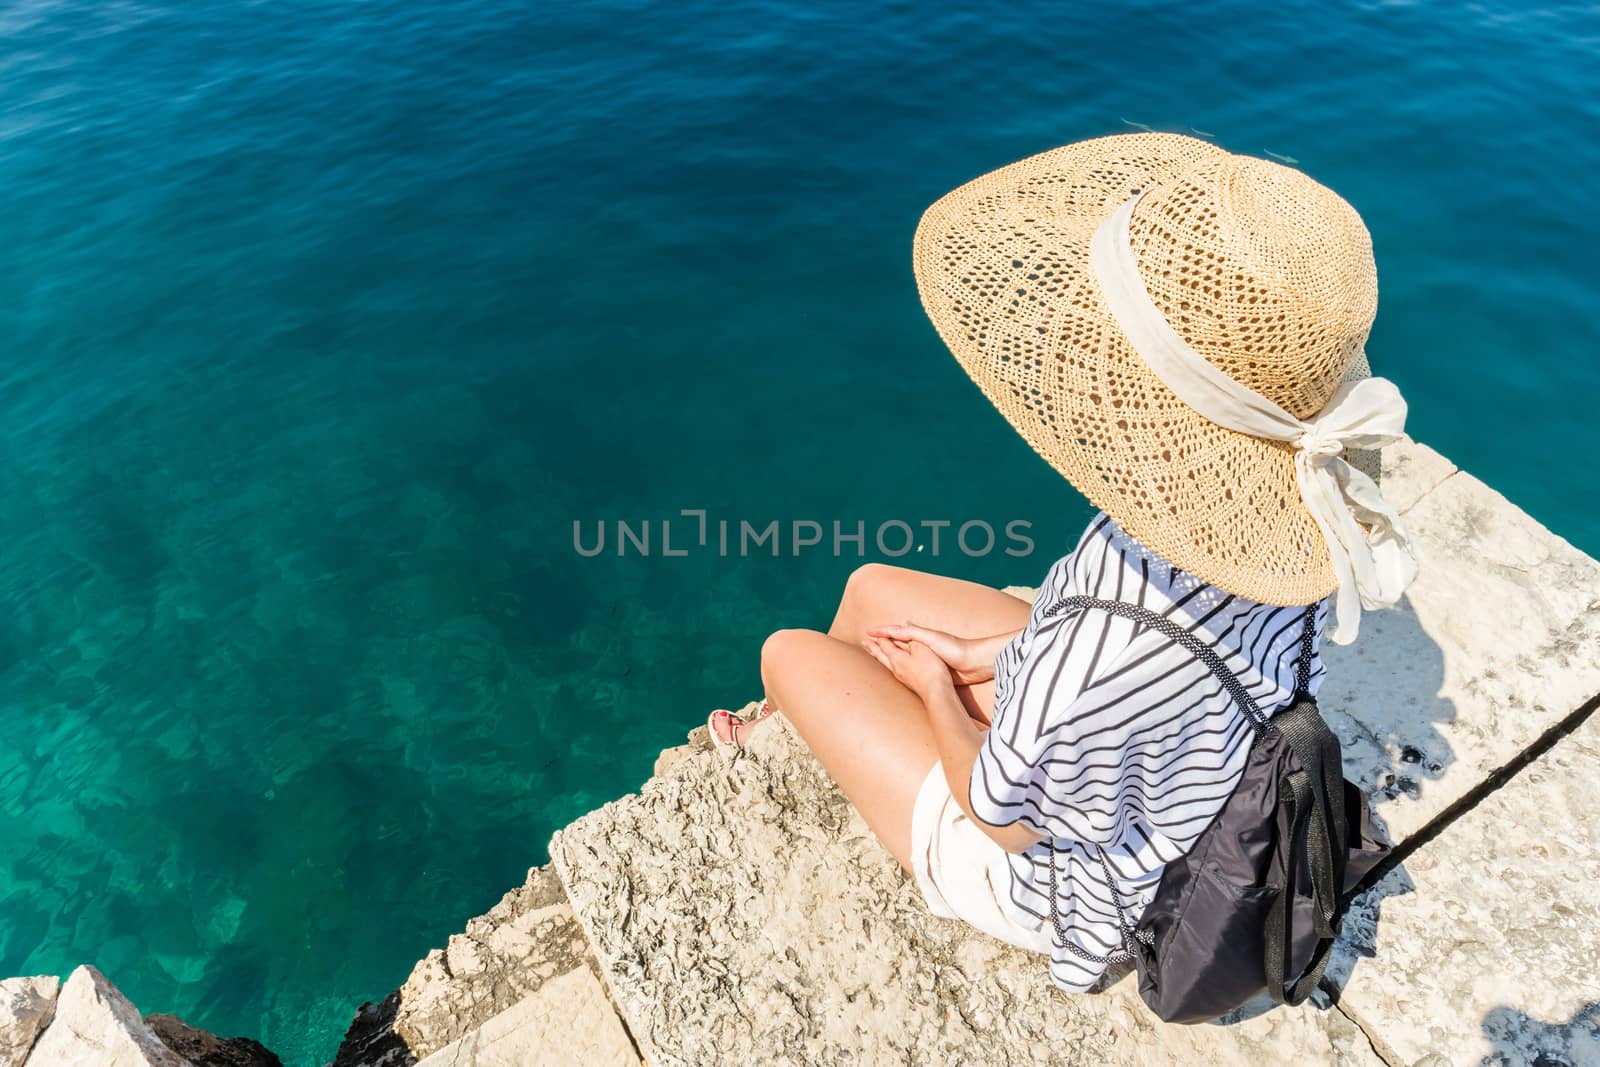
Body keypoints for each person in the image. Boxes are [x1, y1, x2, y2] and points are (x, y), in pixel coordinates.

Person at [707, 132, 1418, 994]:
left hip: (1067, 886)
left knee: (786, 653)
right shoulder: (1312, 516)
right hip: (1170, 747)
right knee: (869, 589)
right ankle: (850, 704)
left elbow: (1003, 817)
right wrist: (1007, 663)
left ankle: (810, 716)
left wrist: (940, 687)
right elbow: (1138, 667)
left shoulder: (1099, 632)